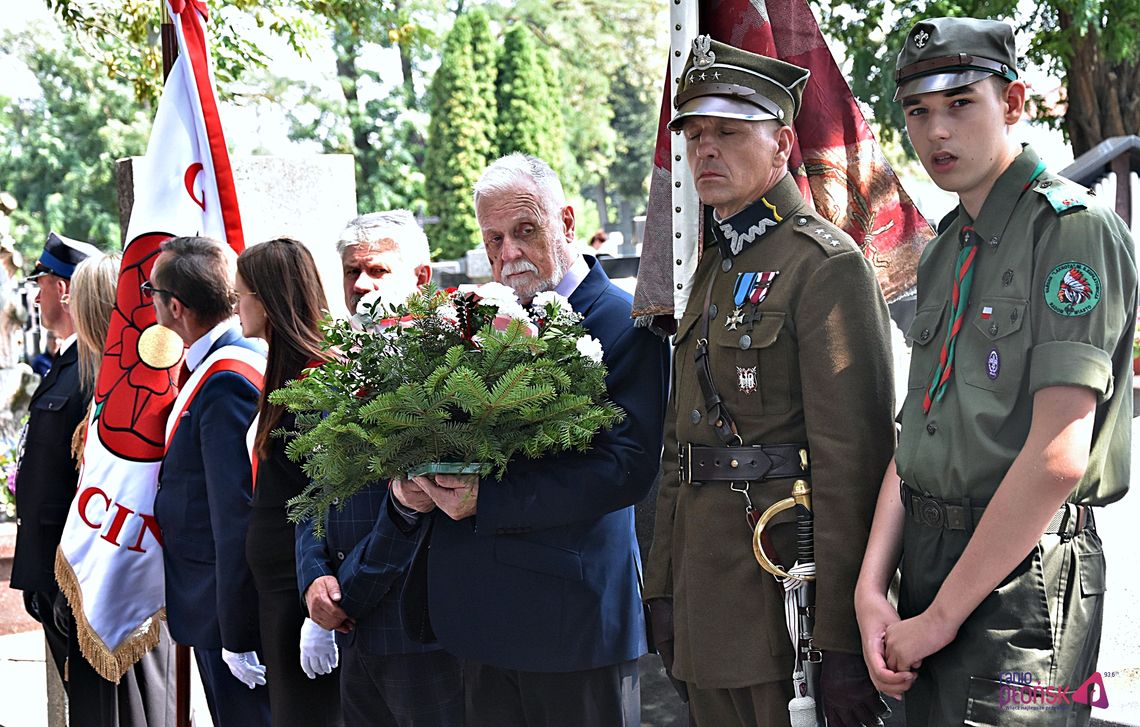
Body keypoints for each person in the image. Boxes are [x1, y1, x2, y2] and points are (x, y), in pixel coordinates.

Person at [855, 17, 1137, 727]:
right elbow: (913, 433)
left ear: (1012, 103)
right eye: (917, 112)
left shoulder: (1071, 230)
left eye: (960, 105)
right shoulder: (947, 245)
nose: (936, 132)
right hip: (926, 561)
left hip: (1025, 581)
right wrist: (870, 588)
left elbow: (1057, 456)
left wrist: (941, 617)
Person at [642, 38, 895, 727]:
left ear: (783, 143)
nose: (705, 150)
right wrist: (661, 588)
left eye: (727, 130)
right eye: (694, 134)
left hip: (784, 597)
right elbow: (678, 445)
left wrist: (841, 638)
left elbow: (855, 465)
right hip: (705, 595)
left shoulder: (824, 265)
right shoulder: (715, 265)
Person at [389, 153, 669, 727]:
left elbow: (627, 468)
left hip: (570, 625)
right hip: (480, 620)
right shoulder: (470, 322)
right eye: (493, 239)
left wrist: (483, 499)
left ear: (565, 222)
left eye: (524, 231)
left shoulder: (623, 321)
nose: (508, 253)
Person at [295, 211, 463, 727]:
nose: (361, 284)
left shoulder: (447, 372)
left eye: (378, 271)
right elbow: (313, 490)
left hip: (418, 635)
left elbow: (415, 504)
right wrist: (313, 577)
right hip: (353, 631)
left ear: (421, 277)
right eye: (351, 271)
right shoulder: (340, 366)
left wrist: (347, 594)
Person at [12, 233, 176, 726]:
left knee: (124, 709)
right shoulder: (73, 368)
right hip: (68, 569)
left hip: (104, 570)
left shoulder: (104, 384)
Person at [149, 235, 270, 726]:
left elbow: (234, 512)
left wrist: (237, 632)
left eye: (151, 292)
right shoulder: (212, 364)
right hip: (210, 599)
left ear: (174, 306)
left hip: (223, 607)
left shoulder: (224, 378)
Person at [235, 238, 342, 726]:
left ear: (269, 298)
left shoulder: (319, 375)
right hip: (277, 588)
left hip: (302, 590)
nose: (236, 306)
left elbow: (326, 492)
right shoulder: (283, 372)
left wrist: (320, 617)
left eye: (242, 295)